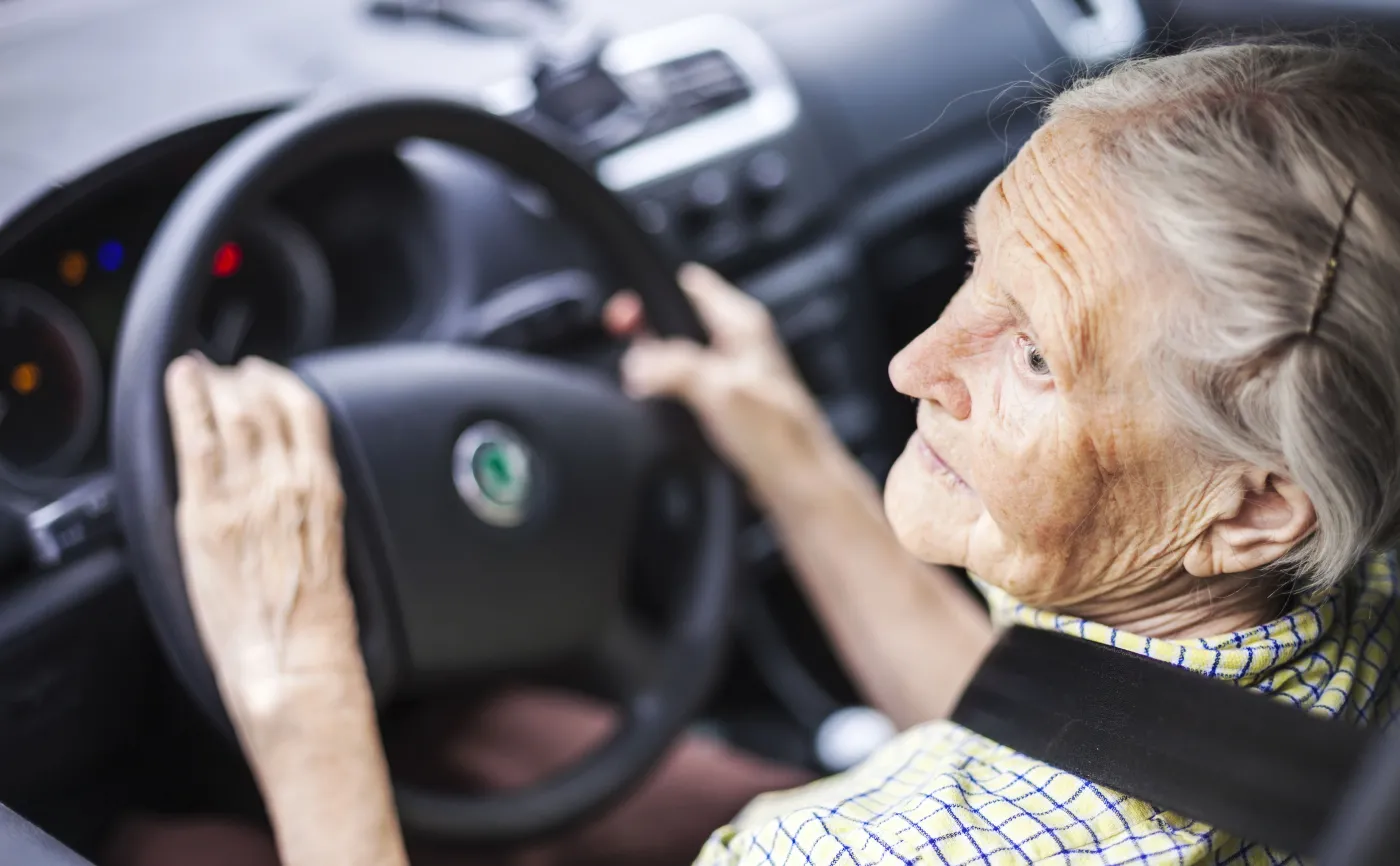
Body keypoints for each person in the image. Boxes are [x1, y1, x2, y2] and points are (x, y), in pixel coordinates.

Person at [110, 40, 1400, 866]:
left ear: (1254, 509)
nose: (912, 366)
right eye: (974, 266)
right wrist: (788, 450)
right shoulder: (1319, 594)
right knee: (501, 737)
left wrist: (298, 687)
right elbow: (1065, 722)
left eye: (1035, 357)